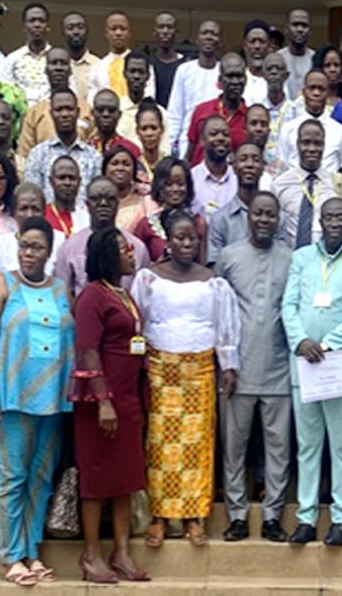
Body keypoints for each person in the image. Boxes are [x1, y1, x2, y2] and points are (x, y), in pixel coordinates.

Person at [131, 209, 240, 546]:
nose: (186, 243)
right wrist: (137, 366)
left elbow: (225, 326)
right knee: (161, 445)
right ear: (168, 240)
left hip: (200, 371)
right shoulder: (149, 277)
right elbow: (137, 320)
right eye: (179, 237)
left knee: (197, 445)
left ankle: (194, 517)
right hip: (161, 369)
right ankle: (161, 517)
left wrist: (230, 365)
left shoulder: (213, 281)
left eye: (191, 237)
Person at [0, 215, 72, 586]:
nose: (29, 254)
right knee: (13, 477)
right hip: (10, 399)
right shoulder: (2, 285)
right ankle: (11, 556)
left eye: (37, 247)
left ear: (50, 251)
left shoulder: (62, 291)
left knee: (41, 478)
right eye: (24, 246)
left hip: (52, 401)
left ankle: (32, 552)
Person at [281, 196, 342, 546]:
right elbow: (288, 305)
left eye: (341, 217)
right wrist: (301, 340)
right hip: (304, 363)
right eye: (329, 217)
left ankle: (340, 518)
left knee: (341, 445)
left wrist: (328, 344)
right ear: (320, 221)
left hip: (337, 364)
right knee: (307, 446)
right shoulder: (302, 257)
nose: (335, 222)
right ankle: (306, 517)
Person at [70, 226, 149, 584]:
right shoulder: (92, 296)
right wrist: (103, 401)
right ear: (106, 255)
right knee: (97, 478)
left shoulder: (124, 294)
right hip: (100, 402)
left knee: (125, 478)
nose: (132, 252)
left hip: (129, 399)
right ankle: (91, 555)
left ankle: (121, 552)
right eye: (124, 248)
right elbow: (87, 349)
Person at [215, 192, 292, 543]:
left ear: (278, 219)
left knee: (278, 448)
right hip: (236, 370)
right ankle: (237, 516)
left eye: (270, 214)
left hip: (279, 369)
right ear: (249, 217)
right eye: (258, 213)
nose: (263, 219)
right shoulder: (229, 257)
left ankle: (273, 515)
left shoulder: (292, 259)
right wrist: (224, 361)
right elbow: (218, 313)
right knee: (234, 448)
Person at [54, 176, 150, 298]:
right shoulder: (68, 248)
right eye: (96, 199)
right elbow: (62, 296)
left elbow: (144, 295)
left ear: (118, 203)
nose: (103, 204)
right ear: (87, 205)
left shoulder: (137, 248)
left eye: (110, 199)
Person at [271, 119, 342, 248]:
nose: (312, 149)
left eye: (317, 143)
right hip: (291, 258)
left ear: (324, 145)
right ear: (297, 144)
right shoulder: (280, 185)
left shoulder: (337, 183)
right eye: (306, 143)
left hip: (326, 260)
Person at [22, 87, 102, 203]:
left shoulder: (94, 157)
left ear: (78, 112)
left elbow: (97, 199)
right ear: (51, 114)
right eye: (59, 110)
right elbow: (31, 197)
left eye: (69, 109)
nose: (64, 114)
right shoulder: (37, 155)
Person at [17, 46, 94, 158]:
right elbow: (24, 156)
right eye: (54, 63)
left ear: (71, 69)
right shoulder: (34, 113)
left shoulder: (86, 109)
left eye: (63, 63)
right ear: (46, 69)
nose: (59, 68)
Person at [132, 157, 207, 264]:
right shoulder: (146, 225)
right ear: (159, 187)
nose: (175, 189)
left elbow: (203, 265)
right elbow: (136, 264)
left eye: (180, 184)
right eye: (168, 184)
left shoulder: (198, 223)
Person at [277, 69, 342, 173]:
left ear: (328, 93)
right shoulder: (288, 129)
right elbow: (282, 165)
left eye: (321, 89)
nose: (316, 93)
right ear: (303, 92)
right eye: (312, 88)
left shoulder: (339, 131)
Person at [207, 143, 269, 263]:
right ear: (234, 167)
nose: (249, 165)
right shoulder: (220, 219)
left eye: (256, 160)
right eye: (243, 159)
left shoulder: (277, 218)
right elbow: (214, 265)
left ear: (263, 167)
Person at [168, 20, 222, 155]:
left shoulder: (224, 71)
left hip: (218, 141)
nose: (209, 37)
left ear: (220, 41)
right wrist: (171, 144)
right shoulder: (184, 70)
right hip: (187, 142)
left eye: (214, 34)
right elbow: (175, 112)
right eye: (205, 33)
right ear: (197, 40)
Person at [185, 53, 247, 166]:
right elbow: (189, 153)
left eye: (239, 76)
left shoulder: (250, 118)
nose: (235, 82)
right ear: (220, 79)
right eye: (230, 76)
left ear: (246, 80)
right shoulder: (201, 110)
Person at [0, 182, 60, 274]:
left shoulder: (60, 242)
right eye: (23, 209)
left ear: (44, 212)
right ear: (13, 212)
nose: (30, 215)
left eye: (35, 209)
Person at [87, 11, 156, 104]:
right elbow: (92, 100)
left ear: (129, 33)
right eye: (113, 29)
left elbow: (149, 94)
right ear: (106, 33)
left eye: (123, 29)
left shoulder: (143, 65)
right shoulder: (97, 68)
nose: (118, 33)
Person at [0, 2, 51, 107]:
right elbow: (5, 92)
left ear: (47, 26)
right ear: (24, 26)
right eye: (32, 21)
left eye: (41, 21)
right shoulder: (12, 59)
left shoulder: (57, 58)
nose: (37, 25)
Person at [116, 50, 169, 150]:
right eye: (132, 71)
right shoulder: (116, 110)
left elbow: (165, 150)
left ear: (148, 76)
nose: (136, 76)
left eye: (141, 72)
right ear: (124, 74)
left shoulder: (160, 113)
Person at [188, 116, 237, 220]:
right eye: (214, 134)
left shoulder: (238, 178)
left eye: (226, 134)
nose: (220, 138)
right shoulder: (191, 178)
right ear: (202, 140)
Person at [102, 145, 153, 233]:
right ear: (105, 169)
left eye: (126, 164)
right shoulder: (96, 200)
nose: (120, 168)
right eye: (114, 163)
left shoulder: (146, 201)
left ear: (134, 170)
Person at [44, 155, 89, 239]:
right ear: (51, 181)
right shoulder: (42, 216)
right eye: (61, 178)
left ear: (79, 182)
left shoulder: (87, 219)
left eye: (72, 178)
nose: (67, 183)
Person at [88, 89, 141, 158]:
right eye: (100, 110)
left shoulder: (131, 149)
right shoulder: (84, 148)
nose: (106, 114)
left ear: (119, 115)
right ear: (92, 113)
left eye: (111, 110)